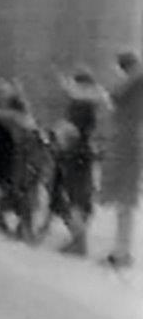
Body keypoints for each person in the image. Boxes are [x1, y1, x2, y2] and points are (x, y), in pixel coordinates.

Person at [51, 66, 109, 255]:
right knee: (83, 197)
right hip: (86, 153)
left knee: (74, 197)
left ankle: (79, 242)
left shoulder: (79, 105)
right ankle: (79, 239)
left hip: (73, 153)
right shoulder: (95, 104)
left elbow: (71, 130)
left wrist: (58, 138)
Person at [100, 51, 143, 267]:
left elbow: (113, 94)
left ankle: (122, 253)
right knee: (124, 202)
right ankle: (121, 251)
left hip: (128, 146)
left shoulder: (134, 80)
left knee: (124, 202)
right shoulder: (135, 81)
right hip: (128, 144)